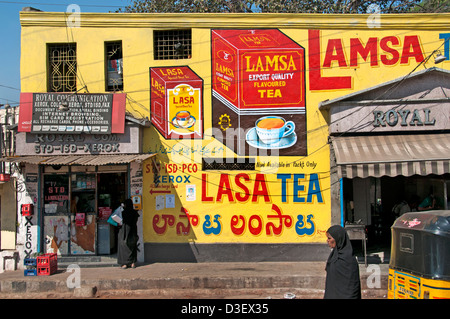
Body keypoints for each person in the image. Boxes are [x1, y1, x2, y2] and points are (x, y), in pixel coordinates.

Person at [324, 225, 361, 299]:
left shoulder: (348, 260)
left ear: (338, 239)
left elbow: (353, 286)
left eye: (329, 238)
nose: (327, 240)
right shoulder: (334, 255)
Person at [117, 198, 139, 269]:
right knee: (133, 246)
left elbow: (120, 221)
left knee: (123, 246)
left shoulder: (123, 213)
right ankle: (133, 263)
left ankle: (125, 264)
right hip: (133, 231)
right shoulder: (135, 212)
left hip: (124, 231)